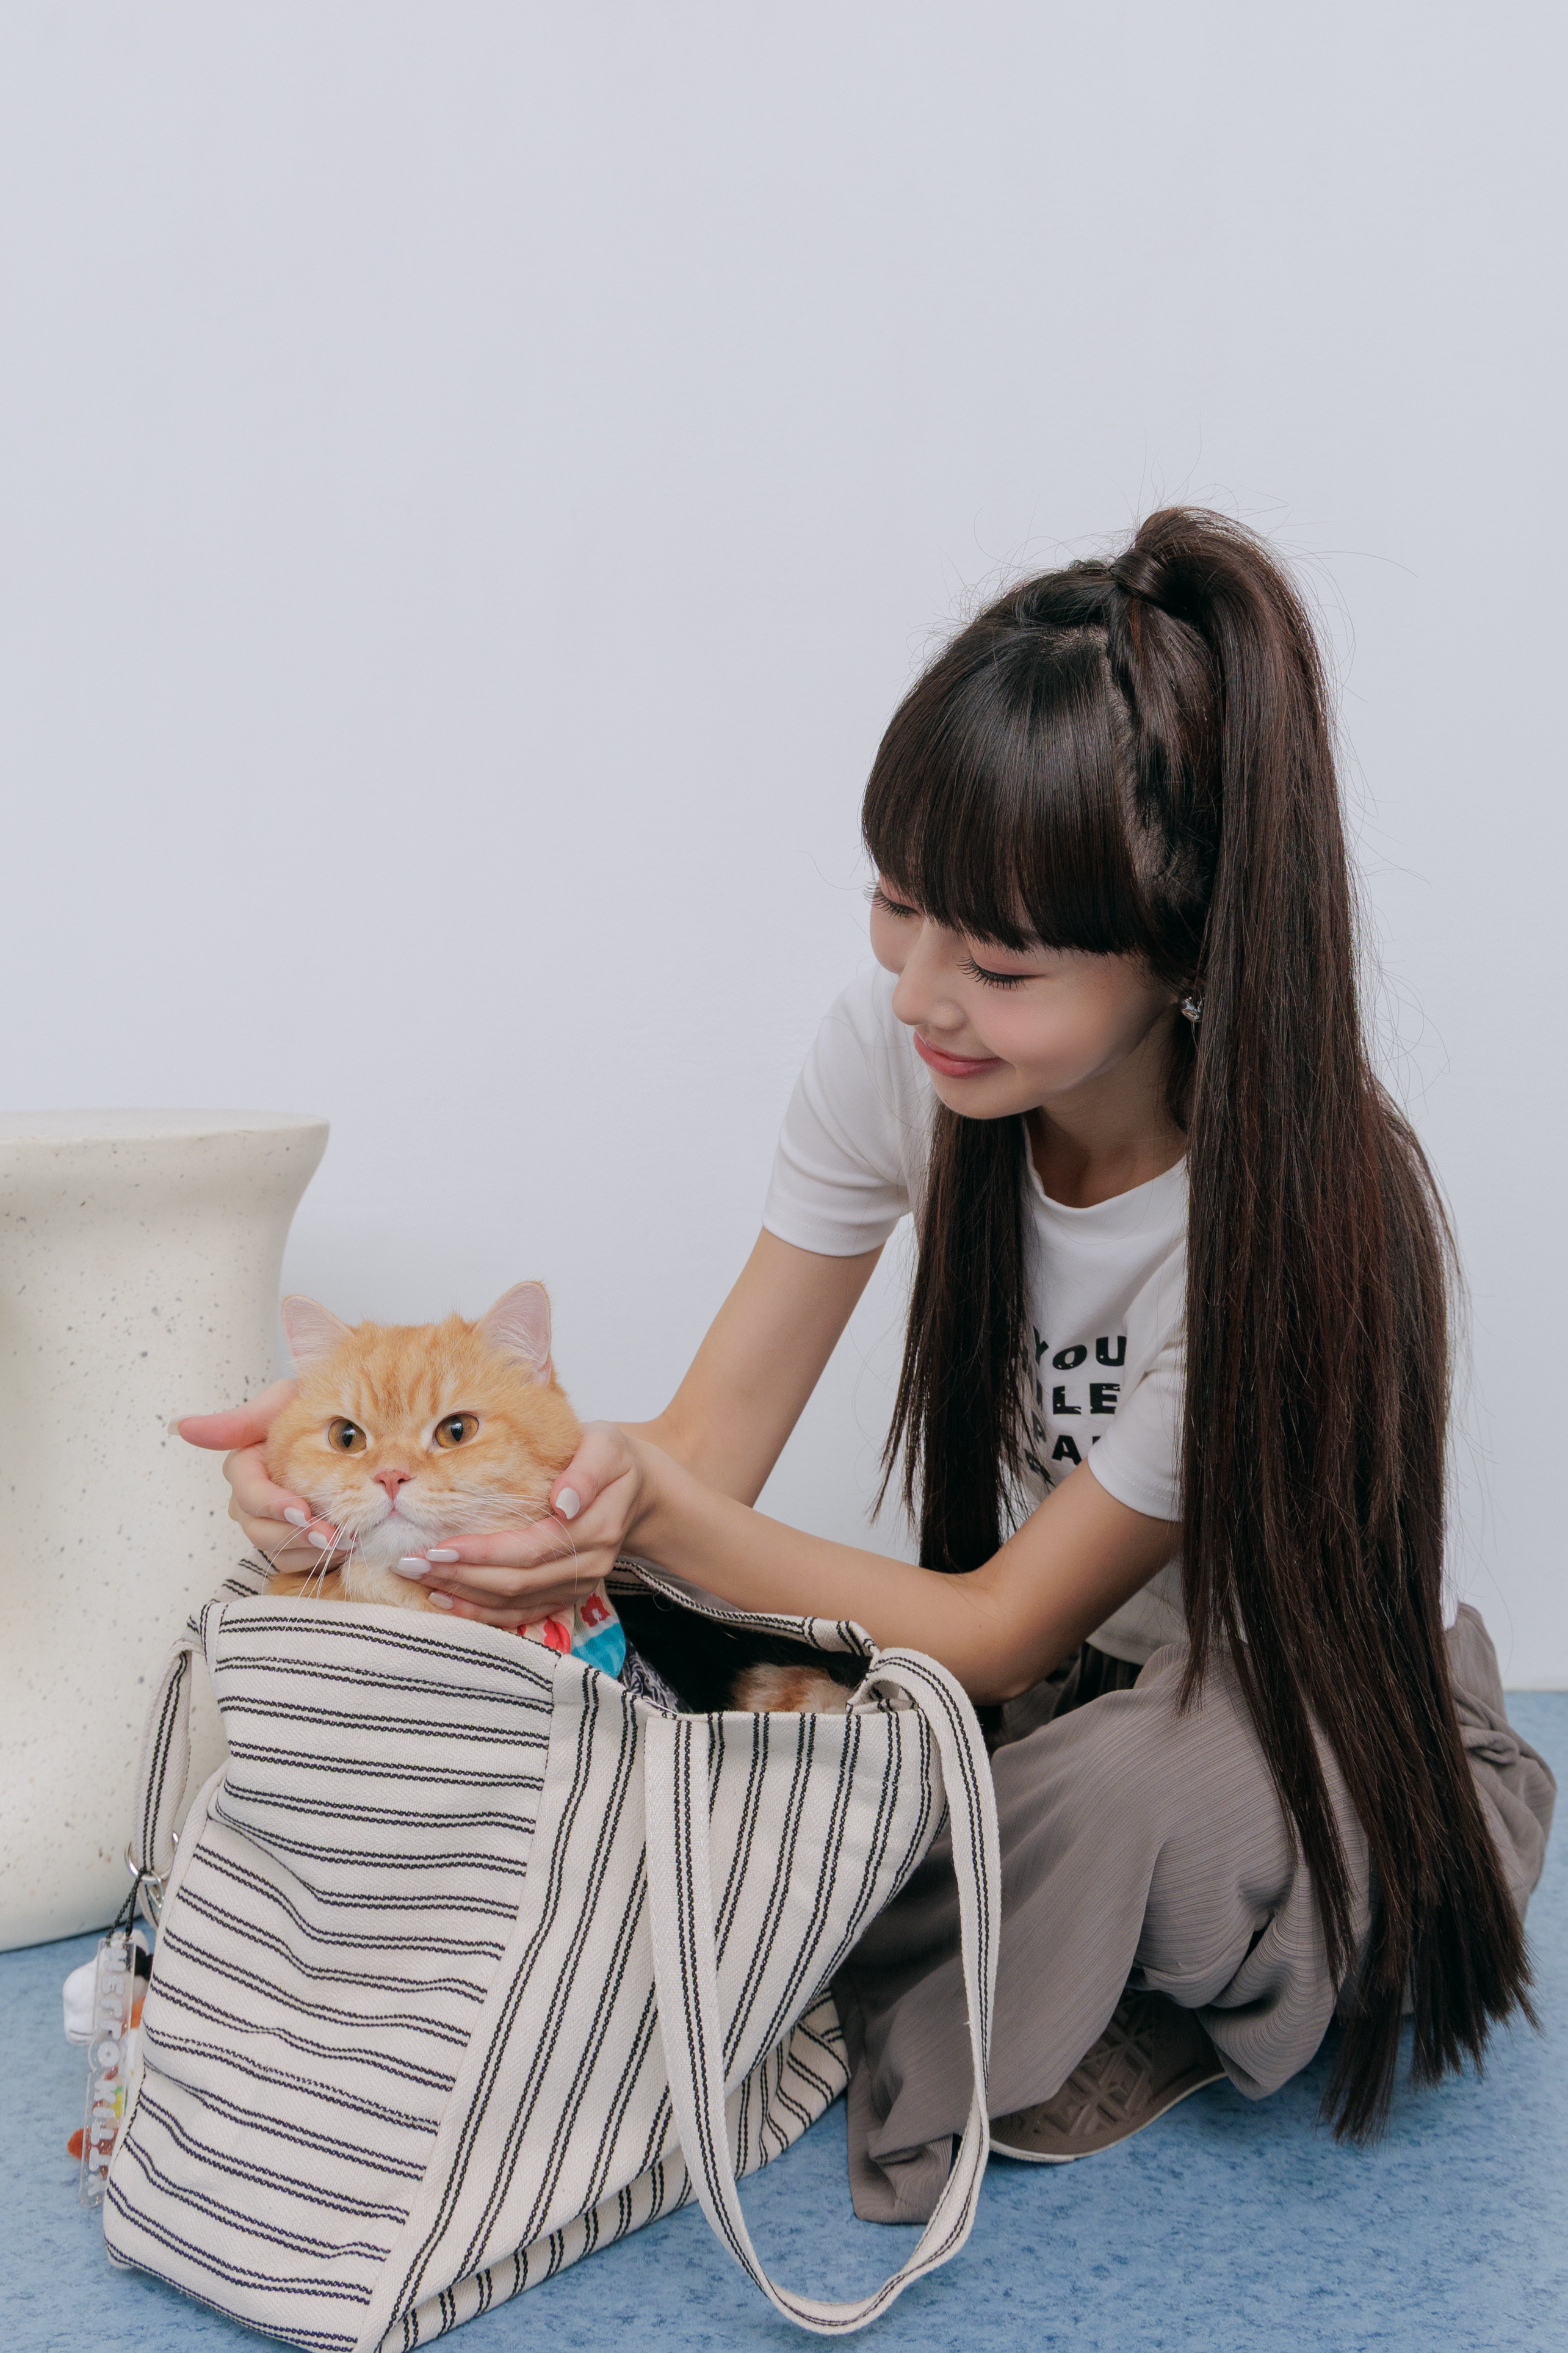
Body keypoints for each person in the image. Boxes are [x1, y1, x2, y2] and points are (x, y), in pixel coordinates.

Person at [186, 507, 1554, 2222]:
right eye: (897, 909)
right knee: (703, 1671)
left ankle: (1116, 1956)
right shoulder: (895, 1054)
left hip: (1264, 1704)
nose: (919, 994)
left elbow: (995, 1624)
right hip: (1036, 1689)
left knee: (1101, 1792)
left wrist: (636, 1511)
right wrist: (364, 1497)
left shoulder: (1293, 1217)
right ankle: (997, 1920)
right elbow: (707, 1448)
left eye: (998, 963)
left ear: (1189, 952)